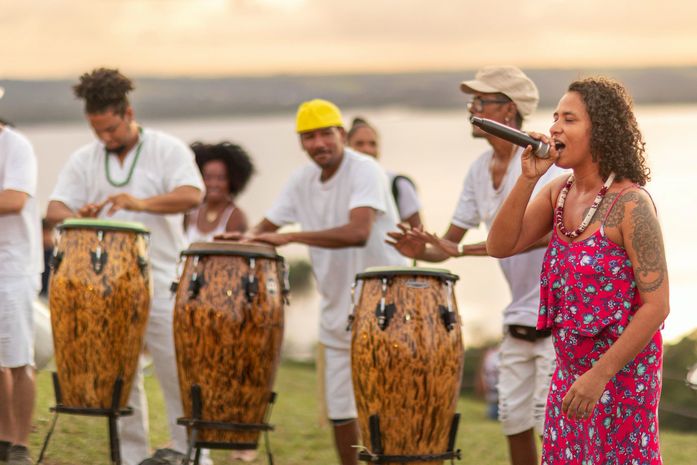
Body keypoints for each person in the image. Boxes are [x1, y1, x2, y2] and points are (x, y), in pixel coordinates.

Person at [487, 77, 669, 465]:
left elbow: (657, 306)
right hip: (568, 371)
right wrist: (528, 178)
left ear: (599, 131)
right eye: (555, 117)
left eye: (569, 119)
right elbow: (499, 246)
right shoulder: (559, 192)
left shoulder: (631, 204)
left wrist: (599, 376)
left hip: (620, 375)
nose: (554, 127)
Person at [219, 98, 407, 465]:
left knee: (385, 407)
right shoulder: (301, 179)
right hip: (336, 309)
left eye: (325, 134)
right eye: (308, 137)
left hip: (385, 307)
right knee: (341, 411)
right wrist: (244, 239)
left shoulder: (364, 169)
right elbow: (266, 228)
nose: (318, 143)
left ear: (341, 134)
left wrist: (291, 238)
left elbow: (358, 231)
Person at [387, 66, 559, 465]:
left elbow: (551, 233)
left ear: (509, 111)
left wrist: (463, 251)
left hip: (557, 317)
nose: (474, 108)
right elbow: (448, 245)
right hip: (518, 318)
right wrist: (422, 247)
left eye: (482, 101)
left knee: (550, 429)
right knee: (513, 424)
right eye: (473, 101)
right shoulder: (478, 170)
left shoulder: (541, 162)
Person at [45, 68, 206, 465]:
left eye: (111, 129)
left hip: (165, 278)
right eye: (97, 130)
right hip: (108, 287)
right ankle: (131, 457)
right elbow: (54, 208)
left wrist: (141, 204)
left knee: (175, 371)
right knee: (121, 375)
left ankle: (193, 455)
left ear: (128, 112)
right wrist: (77, 216)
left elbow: (192, 194)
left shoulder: (167, 148)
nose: (105, 138)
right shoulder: (85, 159)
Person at [0, 87, 43, 465]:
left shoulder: (15, 146)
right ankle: (2, 436)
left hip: (13, 266)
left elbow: (14, 200)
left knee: (18, 358)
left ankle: (20, 444)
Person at [347, 117, 423, 228]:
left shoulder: (398, 184)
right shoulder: (336, 185)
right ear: (346, 146)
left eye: (373, 144)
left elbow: (420, 235)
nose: (367, 149)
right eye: (359, 144)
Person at [185, 141, 254, 243]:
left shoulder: (235, 216)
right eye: (208, 177)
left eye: (221, 178)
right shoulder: (191, 212)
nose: (214, 184)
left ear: (232, 180)